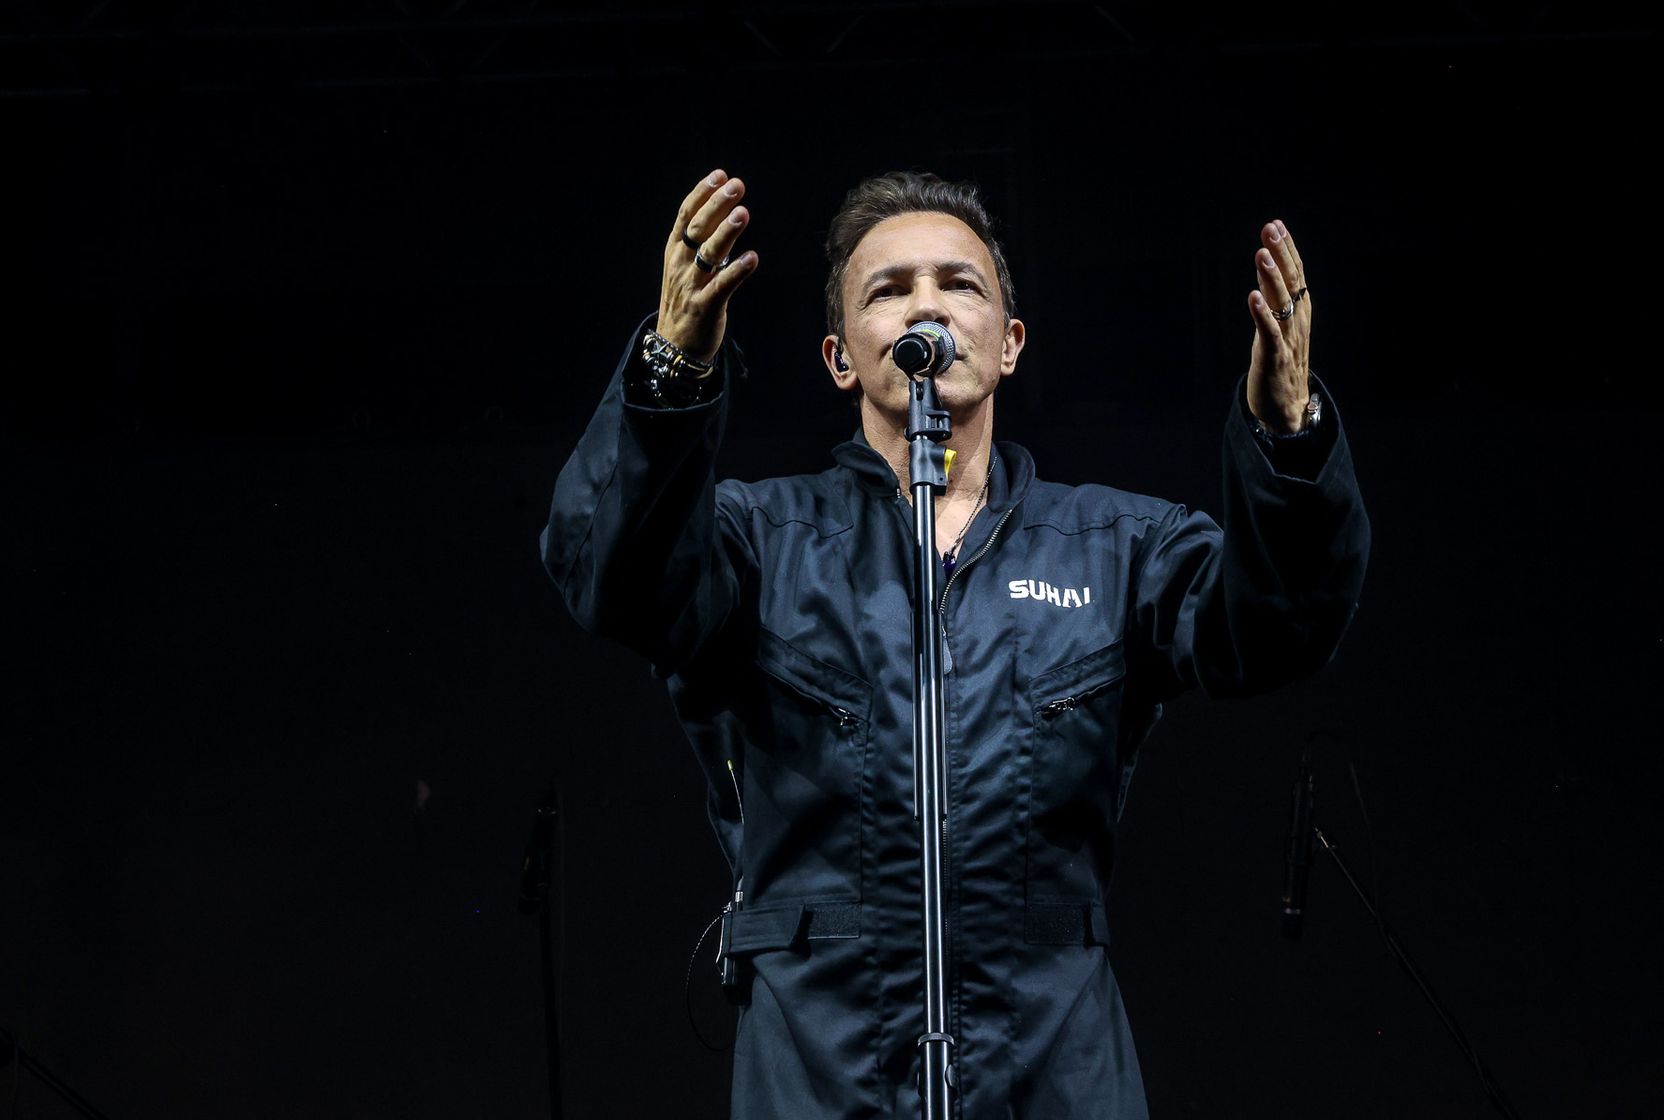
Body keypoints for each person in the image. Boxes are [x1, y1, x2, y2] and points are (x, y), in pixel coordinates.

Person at [541, 168, 1371, 1118]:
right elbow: (613, 576)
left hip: (1053, 1071)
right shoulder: (759, 542)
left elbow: (1278, 624)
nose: (924, 305)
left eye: (958, 284)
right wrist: (672, 375)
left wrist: (1289, 439)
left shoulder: (1115, 547)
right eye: (887, 291)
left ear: (1009, 344)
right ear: (841, 357)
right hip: (821, 1069)